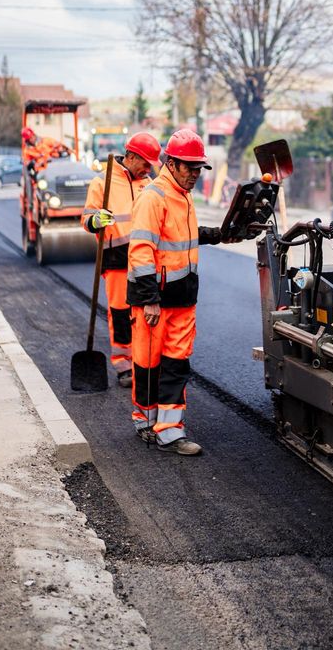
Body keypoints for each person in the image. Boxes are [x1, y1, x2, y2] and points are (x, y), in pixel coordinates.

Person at [127, 128, 237, 455]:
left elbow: (184, 236)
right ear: (171, 164)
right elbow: (141, 250)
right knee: (148, 365)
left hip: (184, 299)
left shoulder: (183, 195)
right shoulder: (153, 197)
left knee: (176, 365)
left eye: (199, 168)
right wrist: (149, 299)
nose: (195, 174)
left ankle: (170, 431)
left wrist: (219, 234)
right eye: (190, 167)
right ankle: (145, 422)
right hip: (156, 301)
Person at [81, 131, 161, 387]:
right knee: (120, 314)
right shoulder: (101, 182)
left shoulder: (148, 183)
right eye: (145, 163)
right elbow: (86, 219)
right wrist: (95, 221)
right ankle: (123, 364)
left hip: (144, 259)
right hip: (115, 258)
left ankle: (143, 361)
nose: (148, 169)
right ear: (132, 156)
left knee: (145, 313)